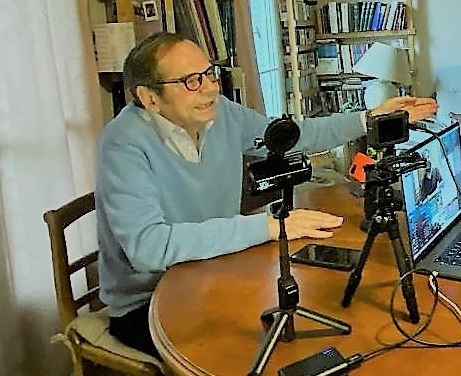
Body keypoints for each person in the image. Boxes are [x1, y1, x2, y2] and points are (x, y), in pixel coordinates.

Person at [95, 32, 438, 357]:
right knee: (248, 353)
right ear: (149, 97)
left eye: (209, 74)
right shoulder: (123, 143)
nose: (211, 89)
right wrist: (267, 227)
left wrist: (369, 118)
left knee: (312, 314)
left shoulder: (223, 113)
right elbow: (148, 248)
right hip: (149, 302)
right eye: (191, 81)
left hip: (214, 267)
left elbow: (292, 136)